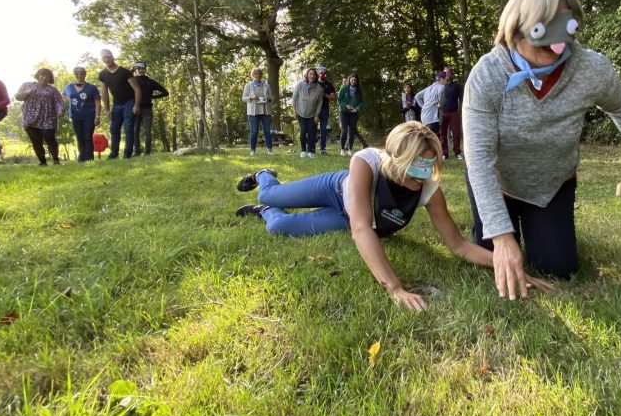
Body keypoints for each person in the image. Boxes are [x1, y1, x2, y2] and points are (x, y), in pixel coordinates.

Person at [463, 0, 621, 299]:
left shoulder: (590, 68)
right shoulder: (487, 75)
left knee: (557, 267)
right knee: (490, 254)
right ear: (516, 28)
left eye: (564, 27)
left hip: (552, 183)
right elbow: (478, 158)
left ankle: (541, 231)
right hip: (499, 181)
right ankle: (491, 225)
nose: (555, 44)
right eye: (542, 31)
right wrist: (502, 237)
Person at [235, 122, 553, 311]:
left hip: (346, 219)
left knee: (278, 224)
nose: (424, 174)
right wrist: (395, 287)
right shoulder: (366, 163)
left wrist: (509, 267)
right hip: (335, 192)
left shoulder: (428, 189)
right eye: (417, 166)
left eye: (430, 166)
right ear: (398, 158)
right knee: (270, 194)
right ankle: (265, 175)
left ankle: (264, 212)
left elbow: (458, 246)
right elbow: (362, 229)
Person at [15, 68, 65, 166]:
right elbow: (17, 97)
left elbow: (59, 102)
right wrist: (27, 93)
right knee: (36, 141)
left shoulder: (52, 90)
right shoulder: (27, 85)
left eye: (47, 76)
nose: (44, 77)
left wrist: (60, 110)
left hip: (48, 118)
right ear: (38, 75)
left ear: (50, 78)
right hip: (30, 117)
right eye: (42, 75)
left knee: (50, 138)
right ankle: (42, 162)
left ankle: (56, 160)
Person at [98, 49, 142, 159]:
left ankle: (127, 154)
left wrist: (136, 105)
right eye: (104, 58)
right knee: (114, 129)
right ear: (102, 59)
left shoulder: (124, 72)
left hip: (129, 103)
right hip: (116, 105)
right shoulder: (103, 74)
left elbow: (137, 89)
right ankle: (114, 154)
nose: (107, 59)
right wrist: (107, 110)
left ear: (112, 57)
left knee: (128, 128)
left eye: (108, 56)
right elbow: (104, 93)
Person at [61, 66, 102, 162]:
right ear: (74, 75)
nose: (79, 75)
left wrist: (97, 116)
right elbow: (63, 94)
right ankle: (81, 158)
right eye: (77, 73)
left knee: (87, 137)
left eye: (81, 73)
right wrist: (70, 100)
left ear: (85, 74)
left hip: (89, 116)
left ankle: (89, 158)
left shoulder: (92, 87)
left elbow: (97, 102)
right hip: (75, 116)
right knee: (79, 137)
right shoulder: (69, 87)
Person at [131, 62, 169, 155]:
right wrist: (131, 70)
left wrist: (153, 97)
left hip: (147, 109)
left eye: (142, 68)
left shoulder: (151, 82)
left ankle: (147, 152)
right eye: (138, 68)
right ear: (136, 70)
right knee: (135, 131)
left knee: (147, 131)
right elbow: (123, 82)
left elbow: (165, 92)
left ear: (145, 69)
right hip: (135, 108)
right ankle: (136, 152)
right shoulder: (133, 80)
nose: (140, 70)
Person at [292, 67, 323, 158]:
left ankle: (310, 151)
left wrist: (317, 115)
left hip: (312, 114)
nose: (312, 76)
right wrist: (294, 111)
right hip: (301, 113)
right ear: (307, 75)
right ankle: (303, 150)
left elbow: (320, 103)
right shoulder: (300, 85)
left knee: (312, 132)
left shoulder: (319, 88)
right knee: (303, 131)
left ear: (316, 76)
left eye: (313, 74)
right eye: (310, 74)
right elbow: (294, 98)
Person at [243, 67, 274, 156]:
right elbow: (243, 98)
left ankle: (269, 150)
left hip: (265, 112)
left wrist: (269, 99)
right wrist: (251, 97)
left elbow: (271, 98)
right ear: (253, 75)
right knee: (254, 132)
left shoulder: (266, 85)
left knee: (267, 131)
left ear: (261, 75)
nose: (258, 75)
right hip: (253, 112)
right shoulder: (248, 85)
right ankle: (252, 150)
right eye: (256, 74)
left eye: (259, 74)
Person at [439, 64, 463, 160]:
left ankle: (457, 152)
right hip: (443, 113)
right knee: (443, 134)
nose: (446, 73)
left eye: (448, 72)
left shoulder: (457, 86)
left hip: (453, 112)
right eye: (445, 72)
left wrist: (460, 111)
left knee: (456, 133)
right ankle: (445, 153)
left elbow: (461, 99)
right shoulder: (441, 87)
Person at [338, 73, 364, 156]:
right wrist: (345, 106)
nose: (353, 81)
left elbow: (361, 101)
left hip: (353, 113)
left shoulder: (358, 90)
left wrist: (359, 107)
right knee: (344, 130)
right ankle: (342, 149)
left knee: (352, 131)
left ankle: (350, 149)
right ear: (349, 80)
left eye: (355, 80)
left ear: (357, 81)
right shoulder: (344, 88)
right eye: (352, 79)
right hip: (344, 112)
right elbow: (339, 100)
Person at [315, 66, 337, 155]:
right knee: (312, 128)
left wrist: (325, 94)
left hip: (324, 109)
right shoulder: (314, 83)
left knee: (323, 129)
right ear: (318, 73)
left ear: (325, 74)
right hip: (314, 109)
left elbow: (334, 97)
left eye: (324, 72)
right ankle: (311, 148)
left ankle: (322, 148)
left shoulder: (329, 84)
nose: (322, 73)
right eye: (320, 72)